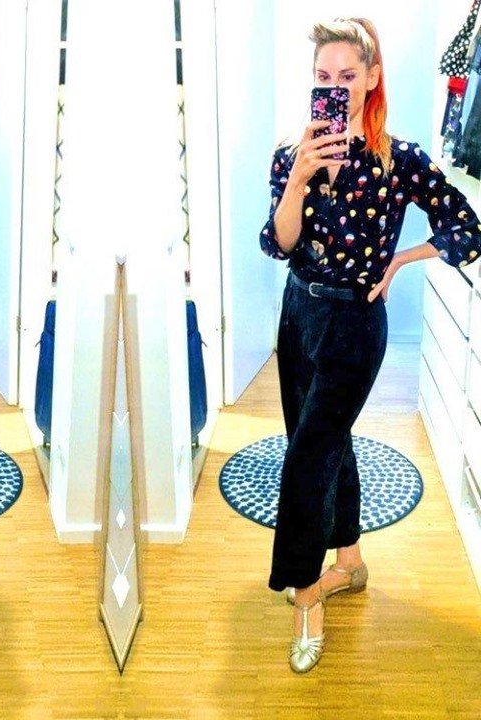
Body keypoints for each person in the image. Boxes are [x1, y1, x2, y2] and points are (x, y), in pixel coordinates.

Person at [259, 17, 481, 673]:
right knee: (326, 442)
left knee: (307, 458)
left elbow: (465, 226)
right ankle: (350, 562)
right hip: (299, 312)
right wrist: (298, 179)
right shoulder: (292, 153)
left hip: (356, 323)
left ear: (372, 78)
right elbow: (279, 243)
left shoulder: (399, 159)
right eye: (322, 77)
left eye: (347, 75)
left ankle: (305, 596)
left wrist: (402, 259)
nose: (334, 87)